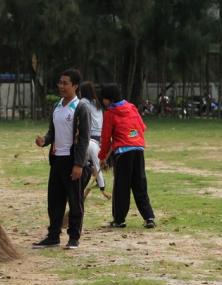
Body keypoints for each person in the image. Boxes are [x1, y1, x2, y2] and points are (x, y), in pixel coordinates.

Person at [33, 69, 91, 249]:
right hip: (57, 160)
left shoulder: (81, 107)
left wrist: (78, 164)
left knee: (75, 201)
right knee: (54, 201)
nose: (61, 86)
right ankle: (53, 236)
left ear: (75, 86)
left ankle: (74, 237)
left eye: (65, 83)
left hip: (72, 161)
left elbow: (83, 139)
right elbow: (53, 132)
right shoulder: (57, 106)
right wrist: (45, 141)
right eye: (60, 82)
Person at [98, 83, 156, 229]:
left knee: (121, 188)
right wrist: (131, 136)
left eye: (103, 99)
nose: (102, 102)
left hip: (123, 154)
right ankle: (149, 217)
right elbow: (142, 127)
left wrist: (102, 156)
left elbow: (105, 138)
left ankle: (119, 220)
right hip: (138, 150)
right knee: (139, 184)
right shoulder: (132, 107)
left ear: (108, 99)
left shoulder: (110, 114)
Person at [79, 81, 106, 193]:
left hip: (90, 135)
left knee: (88, 161)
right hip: (100, 135)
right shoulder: (97, 102)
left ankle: (99, 184)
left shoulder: (83, 102)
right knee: (94, 160)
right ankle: (99, 183)